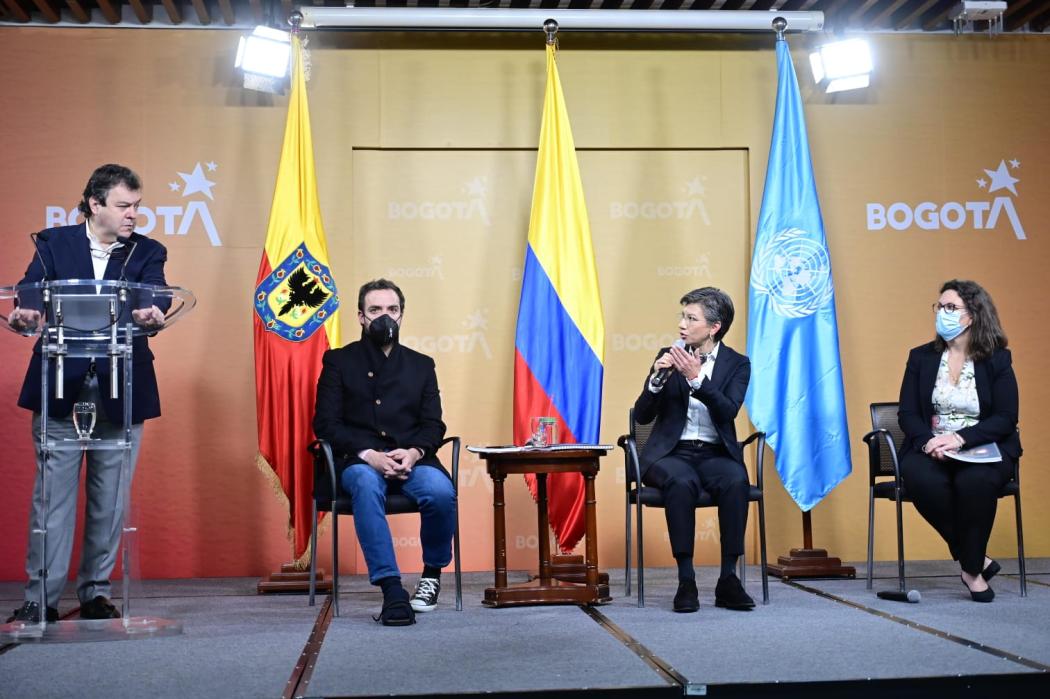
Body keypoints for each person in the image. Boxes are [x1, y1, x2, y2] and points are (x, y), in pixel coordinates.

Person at [7, 164, 167, 624]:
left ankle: (95, 591)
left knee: (109, 498)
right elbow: (30, 288)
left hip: (122, 386)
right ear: (94, 204)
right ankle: (42, 598)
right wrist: (28, 312)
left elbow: (152, 293)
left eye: (137, 205)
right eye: (123, 206)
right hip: (60, 385)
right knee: (50, 499)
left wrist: (152, 310)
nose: (133, 214)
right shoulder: (54, 244)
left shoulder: (146, 250)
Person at [313, 279, 456, 626]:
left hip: (410, 459)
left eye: (392, 310)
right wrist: (368, 454)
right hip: (357, 461)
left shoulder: (422, 365)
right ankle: (392, 588)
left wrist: (414, 452)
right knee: (364, 483)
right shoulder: (338, 361)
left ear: (402, 315)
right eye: (375, 310)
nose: (384, 317)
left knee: (439, 491)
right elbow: (326, 424)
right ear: (361, 317)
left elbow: (433, 425)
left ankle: (431, 576)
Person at [898, 280, 1021, 603]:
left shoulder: (997, 359)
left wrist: (958, 438)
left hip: (983, 447)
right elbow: (907, 414)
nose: (942, 313)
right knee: (921, 480)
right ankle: (975, 561)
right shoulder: (921, 358)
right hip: (931, 448)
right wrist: (929, 442)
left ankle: (970, 568)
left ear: (973, 315)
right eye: (939, 307)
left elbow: (1006, 417)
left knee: (976, 484)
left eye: (951, 307)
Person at [633, 287, 754, 613]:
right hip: (671, 454)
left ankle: (728, 578)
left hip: (715, 453)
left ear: (714, 327)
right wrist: (657, 381)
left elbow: (728, 411)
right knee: (681, 482)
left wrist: (697, 379)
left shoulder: (738, 364)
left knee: (735, 481)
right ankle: (686, 579)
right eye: (682, 317)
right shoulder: (668, 354)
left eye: (691, 318)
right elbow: (642, 415)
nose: (682, 325)